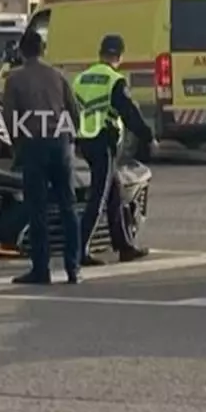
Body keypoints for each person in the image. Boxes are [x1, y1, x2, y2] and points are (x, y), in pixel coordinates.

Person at [1, 29, 82, 285]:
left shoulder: (14, 79)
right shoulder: (58, 75)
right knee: (68, 207)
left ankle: (41, 269)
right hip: (60, 145)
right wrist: (70, 139)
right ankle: (73, 268)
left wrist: (17, 148)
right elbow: (74, 111)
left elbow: (10, 118)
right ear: (43, 50)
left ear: (22, 52)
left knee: (37, 209)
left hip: (34, 145)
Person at [73, 35, 157, 267]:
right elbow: (130, 113)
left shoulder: (81, 78)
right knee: (99, 196)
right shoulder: (114, 80)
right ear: (119, 56)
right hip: (103, 141)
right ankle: (79, 250)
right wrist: (148, 137)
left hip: (85, 140)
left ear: (100, 53)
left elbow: (70, 110)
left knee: (114, 193)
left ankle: (124, 246)